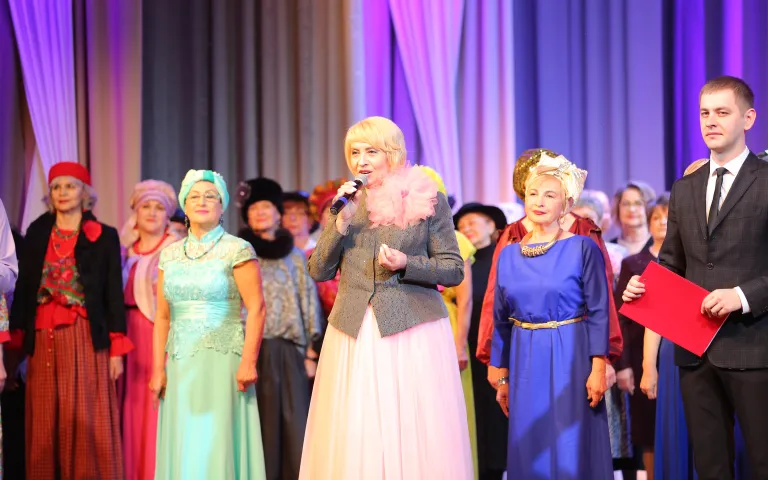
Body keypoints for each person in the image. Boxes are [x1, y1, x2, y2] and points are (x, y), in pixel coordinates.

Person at [300, 116, 472, 479]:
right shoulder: (346, 202)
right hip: (353, 329)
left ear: (392, 153)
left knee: (409, 426)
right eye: (355, 152)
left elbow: (453, 269)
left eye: (371, 152)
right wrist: (339, 225)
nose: (361, 161)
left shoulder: (428, 197)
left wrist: (408, 263)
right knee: (357, 425)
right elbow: (318, 270)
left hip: (411, 328)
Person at [623, 75, 768, 479]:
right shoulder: (685, 188)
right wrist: (645, 286)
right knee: (709, 465)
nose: (711, 121)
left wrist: (741, 295)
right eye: (705, 113)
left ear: (748, 118)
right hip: (694, 350)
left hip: (755, 346)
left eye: (722, 112)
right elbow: (672, 261)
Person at [9, 162, 132, 479]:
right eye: (56, 187)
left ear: (85, 193)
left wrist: (117, 349)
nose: (62, 192)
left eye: (70, 186)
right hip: (43, 334)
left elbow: (111, 294)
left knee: (86, 411)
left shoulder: (104, 235)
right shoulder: (37, 232)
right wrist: (16, 341)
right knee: (45, 415)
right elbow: (24, 287)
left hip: (85, 334)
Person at [492, 153, 612, 479]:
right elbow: (500, 320)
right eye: (533, 194)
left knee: (569, 444)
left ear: (566, 205)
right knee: (529, 445)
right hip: (524, 360)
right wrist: (501, 374)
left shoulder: (582, 248)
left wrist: (598, 367)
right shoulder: (507, 255)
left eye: (550, 195)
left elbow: (599, 310)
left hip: (570, 355)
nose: (539, 202)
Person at [149, 169, 267, 479]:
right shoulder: (169, 255)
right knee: (184, 439)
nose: (202, 201)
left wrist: (248, 362)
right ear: (185, 205)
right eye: (195, 196)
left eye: (210, 196)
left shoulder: (237, 249)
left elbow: (257, 308)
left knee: (216, 439)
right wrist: (158, 368)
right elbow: (163, 316)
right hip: (180, 363)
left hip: (222, 360)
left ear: (222, 205)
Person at [476, 149, 623, 373]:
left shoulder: (584, 231)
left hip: (577, 345)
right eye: (534, 189)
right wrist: (493, 358)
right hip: (524, 347)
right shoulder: (512, 235)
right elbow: (495, 300)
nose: (541, 198)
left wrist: (604, 357)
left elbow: (602, 300)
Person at [236, 177, 322, 480]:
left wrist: (311, 351)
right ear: (247, 217)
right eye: (254, 208)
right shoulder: (238, 255)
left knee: (293, 427)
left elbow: (308, 300)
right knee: (258, 427)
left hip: (288, 353)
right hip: (249, 352)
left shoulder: (295, 256)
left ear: (277, 214)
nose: (261, 213)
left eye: (267, 207)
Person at [418, 166, 479, 480]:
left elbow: (465, 299)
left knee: (448, 406)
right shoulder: (405, 236)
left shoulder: (456, 239)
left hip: (446, 324)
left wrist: (459, 345)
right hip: (414, 325)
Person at [119, 180, 180, 479]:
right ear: (135, 211)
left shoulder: (176, 250)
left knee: (155, 405)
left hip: (159, 333)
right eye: (146, 206)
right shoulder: (124, 252)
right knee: (130, 407)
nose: (152, 213)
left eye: (159, 207)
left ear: (168, 215)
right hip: (127, 336)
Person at [614, 193, 670, 480]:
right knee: (647, 426)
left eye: (667, 217)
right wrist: (623, 365)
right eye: (656, 217)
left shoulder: (689, 260)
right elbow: (621, 317)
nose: (662, 222)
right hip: (640, 353)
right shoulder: (633, 263)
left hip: (676, 351)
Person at [454, 201, 509, 480]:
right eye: (461, 225)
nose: (466, 228)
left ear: (492, 226)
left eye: (473, 222)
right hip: (464, 349)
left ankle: (496, 469)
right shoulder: (457, 265)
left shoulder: (505, 260)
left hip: (498, 348)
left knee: (496, 412)